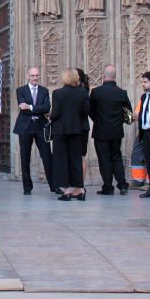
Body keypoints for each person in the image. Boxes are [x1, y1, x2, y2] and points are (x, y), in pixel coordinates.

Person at [89, 64, 132, 195]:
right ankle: (122, 184)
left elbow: (90, 110)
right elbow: (128, 113)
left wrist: (99, 120)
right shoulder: (122, 92)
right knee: (116, 157)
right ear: (115, 76)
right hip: (116, 131)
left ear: (103, 76)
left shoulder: (96, 92)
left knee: (104, 159)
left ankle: (108, 186)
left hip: (101, 130)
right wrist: (119, 121)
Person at [13, 67, 55, 195]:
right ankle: (27, 187)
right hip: (25, 127)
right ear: (27, 76)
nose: (35, 78)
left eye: (37, 75)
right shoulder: (21, 90)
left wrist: (30, 106)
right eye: (32, 75)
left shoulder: (44, 90)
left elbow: (47, 107)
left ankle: (54, 186)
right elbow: (22, 107)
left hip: (40, 126)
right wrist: (36, 108)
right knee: (25, 157)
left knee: (47, 156)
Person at [51, 69, 90, 201]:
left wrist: (50, 116)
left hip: (60, 130)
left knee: (61, 159)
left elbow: (55, 113)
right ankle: (79, 189)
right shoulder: (83, 92)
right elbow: (85, 111)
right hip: (76, 130)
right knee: (76, 160)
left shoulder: (57, 93)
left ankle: (66, 190)